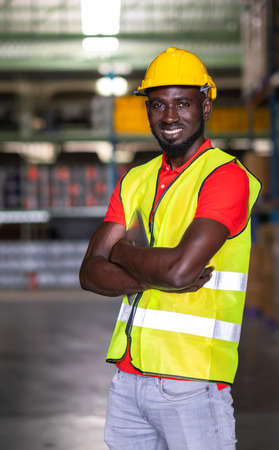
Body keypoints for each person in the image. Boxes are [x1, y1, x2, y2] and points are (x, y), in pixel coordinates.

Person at [79, 46, 261, 450]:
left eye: (182, 103)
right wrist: (157, 268)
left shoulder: (225, 177)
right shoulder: (135, 180)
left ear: (206, 106)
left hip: (192, 384)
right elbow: (89, 272)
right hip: (128, 380)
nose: (169, 116)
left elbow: (179, 270)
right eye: (158, 104)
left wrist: (122, 252)